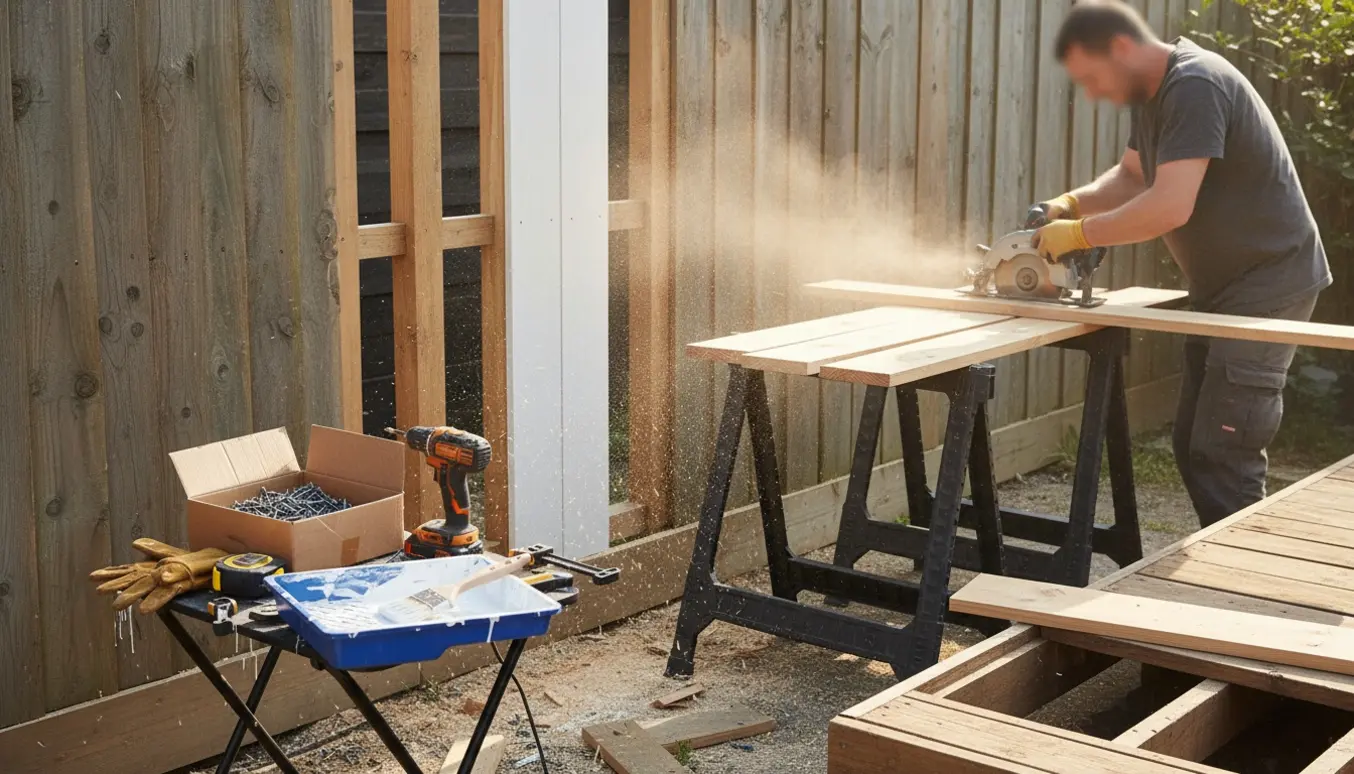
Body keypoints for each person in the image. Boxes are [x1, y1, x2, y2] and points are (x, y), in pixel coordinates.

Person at [1032, 0, 1331, 527]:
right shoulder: (1152, 91)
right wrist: (1071, 204)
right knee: (1196, 438)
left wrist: (1077, 234)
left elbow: (1169, 206)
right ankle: (1228, 575)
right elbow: (1131, 177)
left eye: (1093, 77)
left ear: (1121, 48)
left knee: (1223, 453)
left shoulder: (1196, 85)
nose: (1094, 92)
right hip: (1227, 287)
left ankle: (1245, 589)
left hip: (1269, 282)